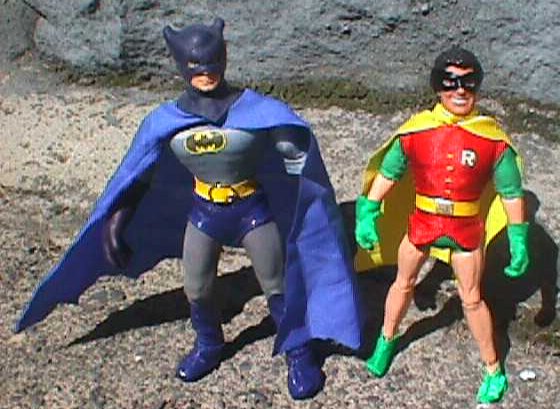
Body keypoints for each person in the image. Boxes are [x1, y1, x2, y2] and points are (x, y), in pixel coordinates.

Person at [16, 18, 362, 400]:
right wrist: (117, 220)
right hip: (204, 214)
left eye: (213, 63)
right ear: (181, 66)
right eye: (196, 66)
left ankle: (298, 352)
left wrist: (301, 184)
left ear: (224, 58)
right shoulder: (167, 121)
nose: (206, 73)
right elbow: (138, 173)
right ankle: (209, 343)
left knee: (276, 282)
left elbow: (296, 156)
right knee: (196, 286)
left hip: (251, 210)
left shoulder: (256, 111)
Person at [355, 47, 529, 404]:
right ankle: (386, 340)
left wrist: (518, 236)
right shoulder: (416, 131)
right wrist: (368, 211)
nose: (460, 90)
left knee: (472, 299)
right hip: (422, 224)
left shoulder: (493, 140)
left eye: (468, 82)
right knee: (403, 283)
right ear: (438, 86)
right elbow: (388, 173)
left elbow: (511, 192)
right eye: (451, 82)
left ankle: (493, 368)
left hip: (466, 231)